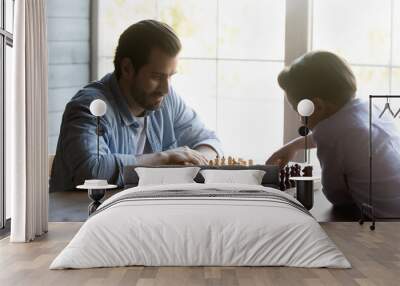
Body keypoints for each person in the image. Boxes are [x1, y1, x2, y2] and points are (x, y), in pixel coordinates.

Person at [50, 20, 222, 192]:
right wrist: (164, 159)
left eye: (170, 76)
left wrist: (197, 162)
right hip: (81, 216)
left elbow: (209, 141)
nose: (166, 89)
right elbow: (90, 171)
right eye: (156, 76)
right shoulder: (90, 107)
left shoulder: (167, 101)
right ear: (127, 68)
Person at [266, 50, 400, 217]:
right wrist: (295, 145)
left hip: (388, 231)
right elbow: (339, 132)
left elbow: (337, 197)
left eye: (299, 111)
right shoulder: (368, 109)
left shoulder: (335, 136)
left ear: (318, 106)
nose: (301, 120)